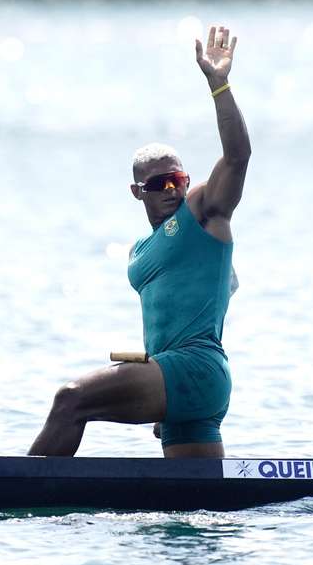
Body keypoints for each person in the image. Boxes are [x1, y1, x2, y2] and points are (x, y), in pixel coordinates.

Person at [28, 25, 251, 458]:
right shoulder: (140, 250)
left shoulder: (204, 212)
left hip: (194, 368)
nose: (172, 189)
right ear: (138, 191)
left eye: (178, 179)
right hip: (173, 381)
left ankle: (8, 499)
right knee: (197, 507)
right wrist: (156, 392)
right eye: (159, 183)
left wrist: (218, 84)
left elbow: (238, 156)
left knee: (70, 400)